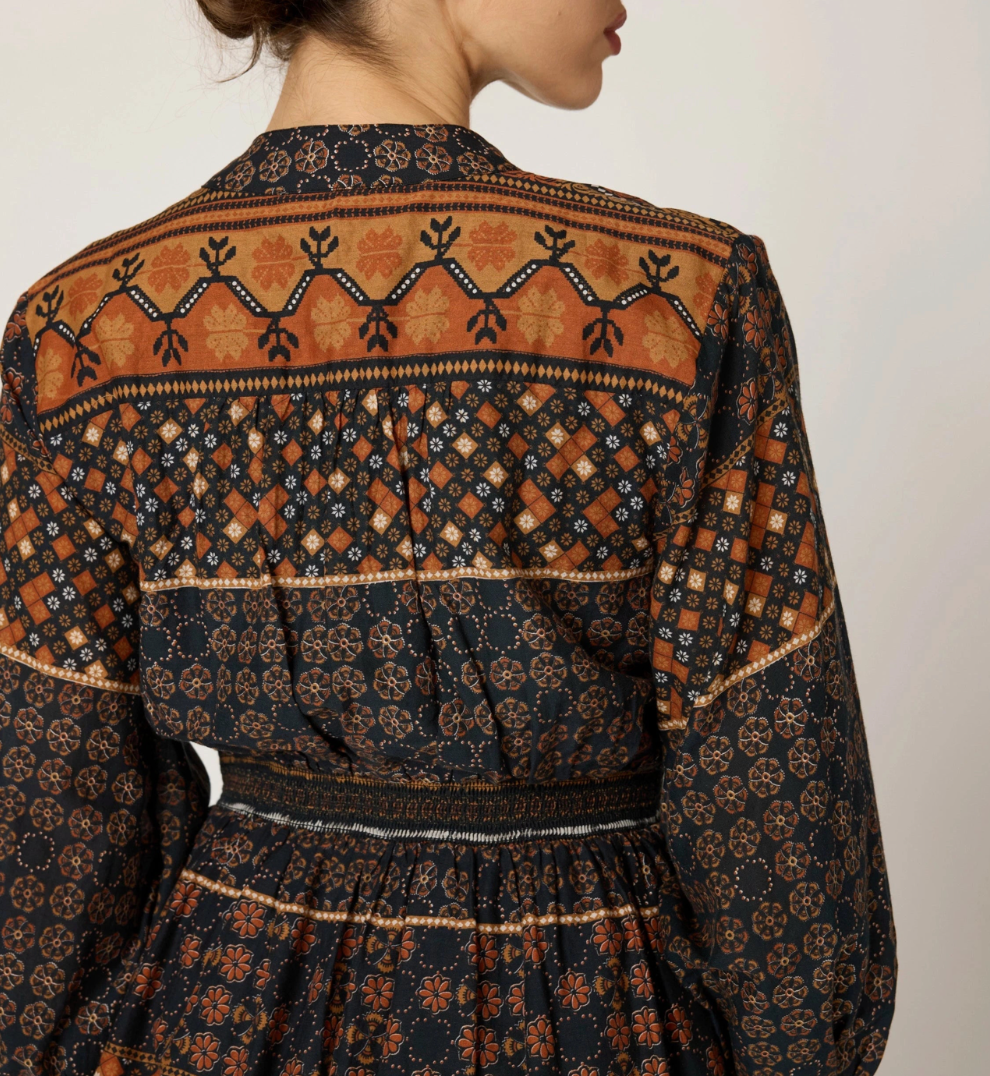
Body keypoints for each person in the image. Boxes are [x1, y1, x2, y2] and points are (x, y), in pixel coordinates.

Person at [0, 1, 896, 1073]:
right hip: (595, 1009)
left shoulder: (82, 333)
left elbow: (52, 826)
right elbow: (776, 803)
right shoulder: (680, 304)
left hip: (221, 1006)